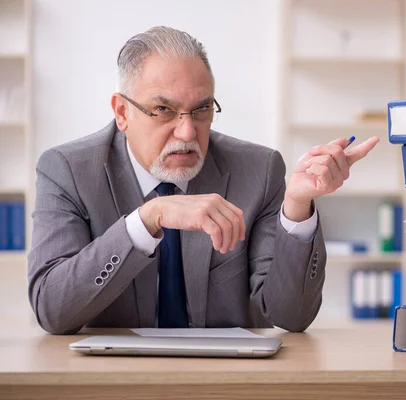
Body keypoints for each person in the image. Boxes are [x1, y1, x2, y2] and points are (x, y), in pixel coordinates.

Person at [27, 26, 379, 335]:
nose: (187, 131)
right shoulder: (67, 170)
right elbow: (52, 310)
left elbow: (291, 316)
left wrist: (298, 206)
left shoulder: (259, 170)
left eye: (201, 109)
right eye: (163, 110)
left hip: (226, 383)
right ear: (122, 112)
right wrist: (146, 219)